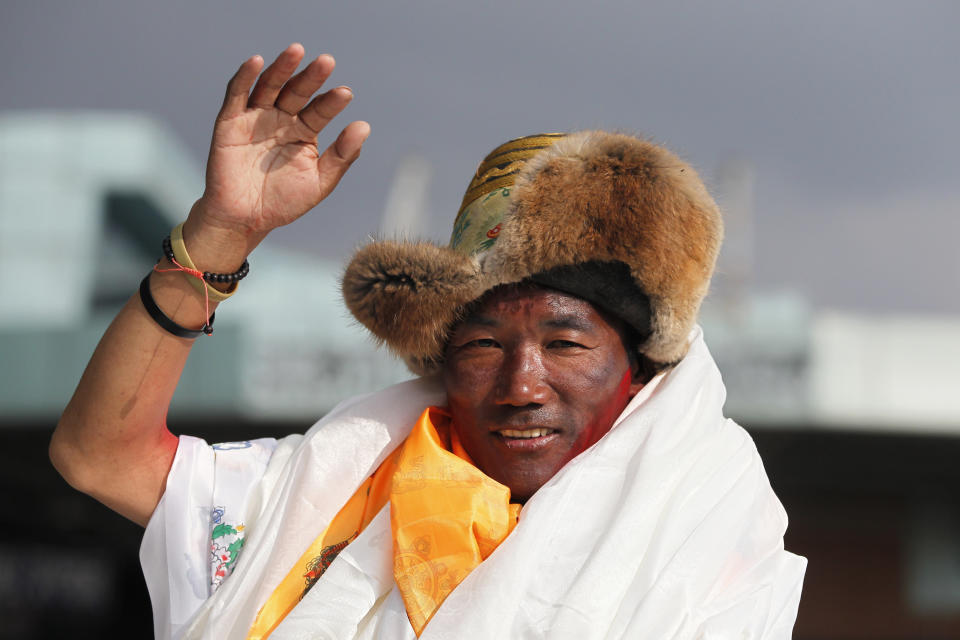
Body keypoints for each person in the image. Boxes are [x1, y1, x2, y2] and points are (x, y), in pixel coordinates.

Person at [50, 44, 805, 639]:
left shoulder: (708, 537)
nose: (521, 383)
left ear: (635, 370)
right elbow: (99, 457)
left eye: (566, 343)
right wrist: (219, 235)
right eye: (483, 345)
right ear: (442, 359)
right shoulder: (330, 494)